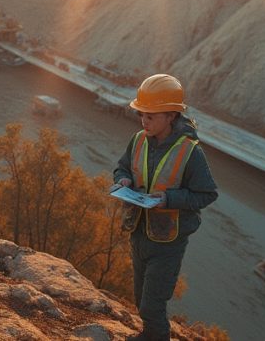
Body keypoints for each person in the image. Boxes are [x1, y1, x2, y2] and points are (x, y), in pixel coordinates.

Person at [113, 74, 218, 341]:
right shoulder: (137, 140)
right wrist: (122, 179)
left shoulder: (191, 152)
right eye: (141, 114)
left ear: (171, 115)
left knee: (152, 305)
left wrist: (168, 199)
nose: (144, 121)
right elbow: (122, 167)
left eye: (151, 116)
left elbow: (206, 194)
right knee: (140, 300)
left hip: (167, 243)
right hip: (138, 233)